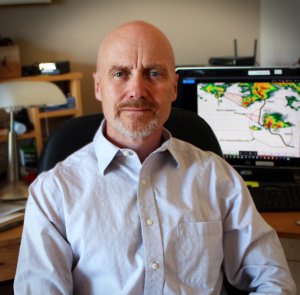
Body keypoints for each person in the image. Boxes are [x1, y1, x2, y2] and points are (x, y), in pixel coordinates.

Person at [14, 20, 296, 295]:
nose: (137, 90)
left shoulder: (217, 177)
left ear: (174, 87)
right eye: (120, 73)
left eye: (153, 73)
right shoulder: (54, 193)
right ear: (98, 87)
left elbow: (273, 278)